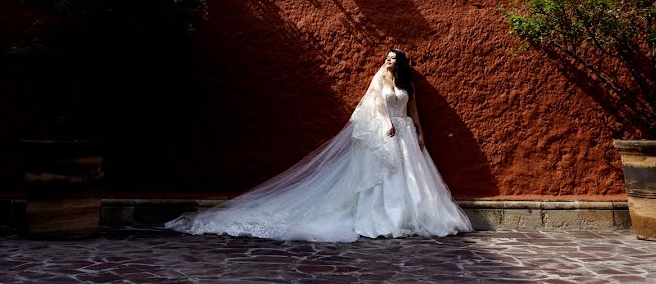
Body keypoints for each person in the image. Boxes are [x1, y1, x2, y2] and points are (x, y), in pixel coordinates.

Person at [166, 49, 473, 242]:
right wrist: (386, 123)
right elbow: (376, 104)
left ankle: (411, 217)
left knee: (412, 179)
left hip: (406, 131)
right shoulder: (380, 79)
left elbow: (415, 109)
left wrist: (419, 132)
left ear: (402, 62)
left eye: (394, 58)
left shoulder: (408, 84)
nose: (389, 61)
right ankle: (385, 218)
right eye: (388, 58)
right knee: (385, 177)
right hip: (388, 130)